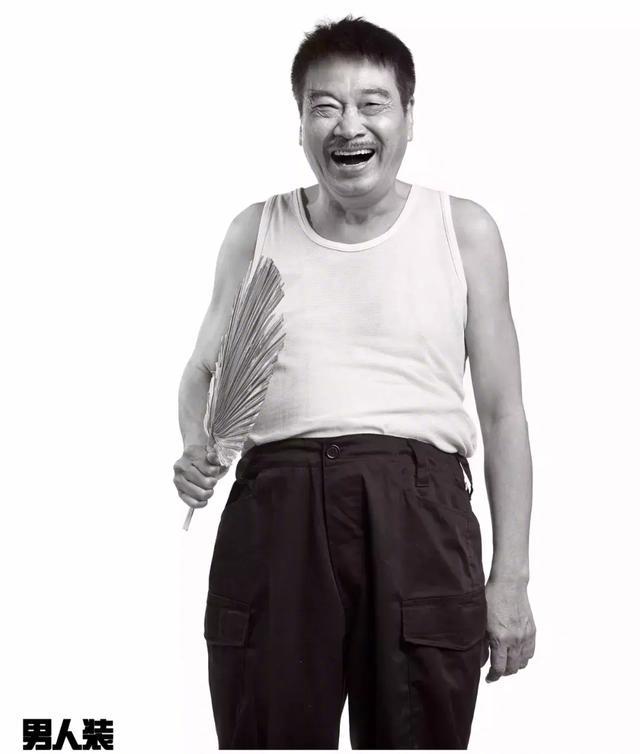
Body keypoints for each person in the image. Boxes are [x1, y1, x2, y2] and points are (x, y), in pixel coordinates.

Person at [173, 14, 535, 750]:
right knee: (265, 732)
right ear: (300, 122)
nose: (348, 125)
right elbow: (203, 370)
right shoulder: (256, 229)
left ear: (408, 117)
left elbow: (503, 415)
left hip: (416, 508)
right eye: (325, 106)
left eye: (373, 104)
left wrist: (512, 579)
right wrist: (196, 445)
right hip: (276, 510)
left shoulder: (463, 229)